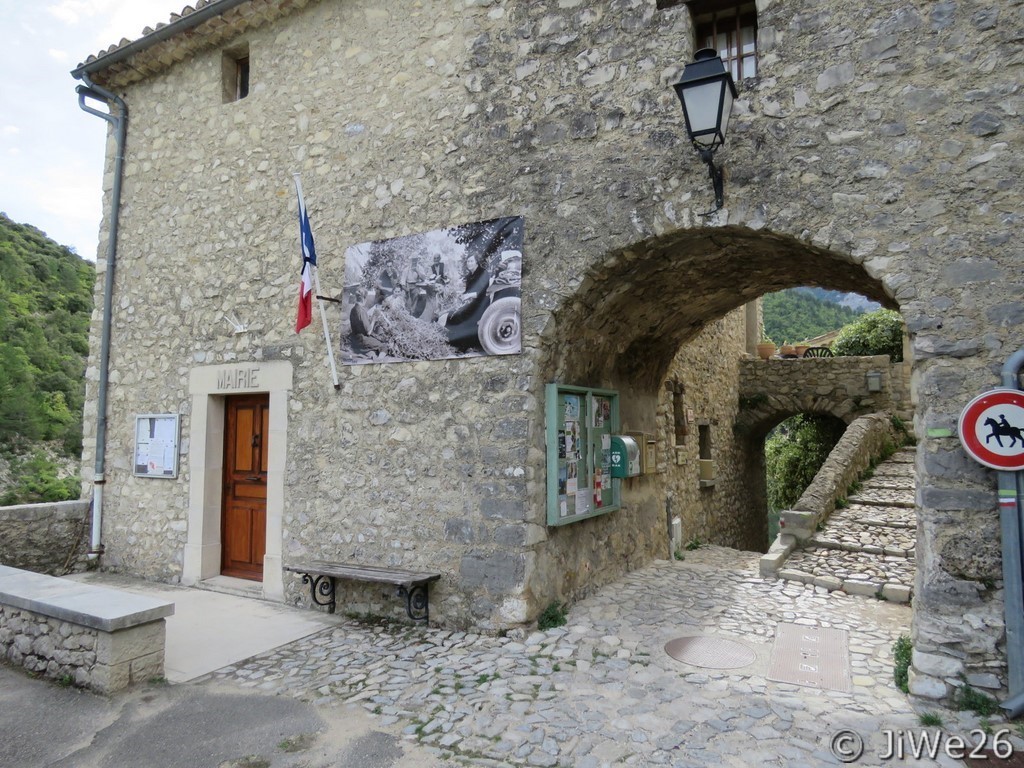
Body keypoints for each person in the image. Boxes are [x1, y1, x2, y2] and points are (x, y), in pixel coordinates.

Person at [349, 287, 387, 355]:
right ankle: (379, 360)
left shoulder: (353, 309)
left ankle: (368, 352)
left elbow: (360, 325)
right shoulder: (362, 311)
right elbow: (369, 332)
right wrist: (374, 318)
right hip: (362, 340)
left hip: (354, 339)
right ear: (364, 298)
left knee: (374, 346)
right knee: (384, 346)